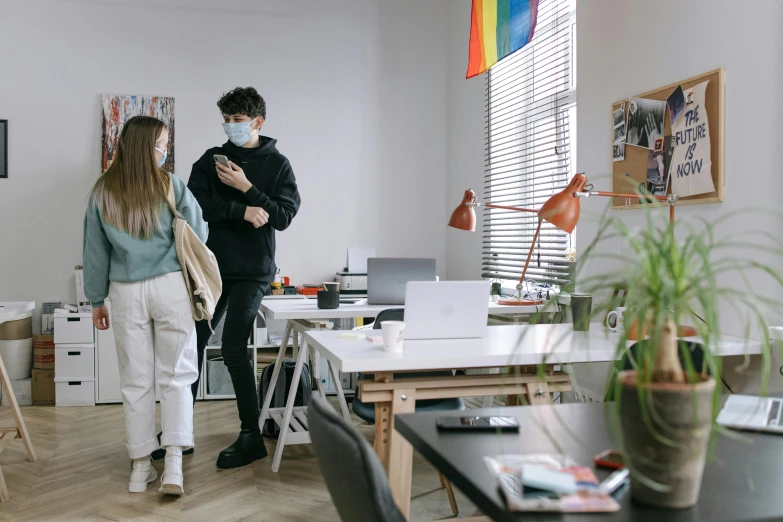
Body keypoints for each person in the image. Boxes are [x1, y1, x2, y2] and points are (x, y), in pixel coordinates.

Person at [83, 115, 207, 495]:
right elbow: (199, 233)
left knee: (135, 380)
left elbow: (94, 252)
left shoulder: (102, 191)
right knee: (177, 376)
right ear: (149, 146)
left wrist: (95, 299)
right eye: (163, 143)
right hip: (171, 288)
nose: (165, 150)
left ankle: (140, 467)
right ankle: (172, 464)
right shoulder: (170, 185)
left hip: (124, 291)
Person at [184, 86, 301, 469]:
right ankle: (178, 431)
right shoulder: (210, 160)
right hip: (211, 269)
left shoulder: (278, 165)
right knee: (191, 345)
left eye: (238, 120)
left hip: (253, 271)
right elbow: (193, 206)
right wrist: (241, 210)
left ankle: (251, 436)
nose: (231, 127)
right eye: (227, 120)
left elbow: (283, 217)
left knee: (234, 347)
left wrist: (247, 188)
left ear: (257, 122)